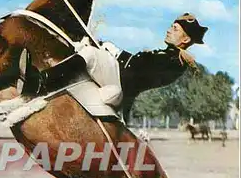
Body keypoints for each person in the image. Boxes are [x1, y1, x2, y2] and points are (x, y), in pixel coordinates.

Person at [23, 12, 208, 122]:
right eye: (171, 26)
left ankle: (39, 83)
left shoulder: (173, 61)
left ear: (185, 39)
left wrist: (114, 53)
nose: (169, 30)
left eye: (175, 29)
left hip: (120, 85)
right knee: (86, 51)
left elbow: (135, 73)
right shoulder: (168, 56)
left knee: (88, 55)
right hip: (119, 80)